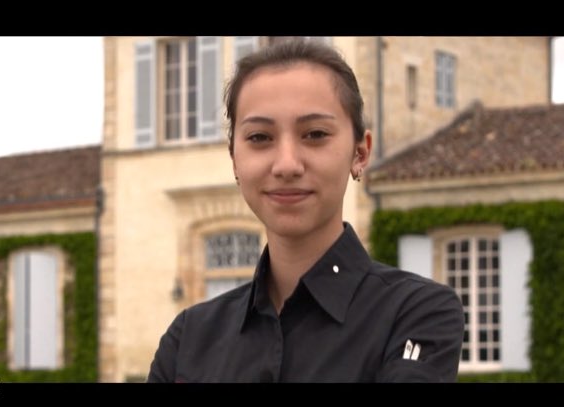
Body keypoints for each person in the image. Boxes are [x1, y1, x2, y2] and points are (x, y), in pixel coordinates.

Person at [147, 39, 464, 383]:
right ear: (234, 159)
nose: (286, 164)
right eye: (259, 137)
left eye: (314, 134)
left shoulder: (417, 313)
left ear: (360, 153)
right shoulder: (189, 338)